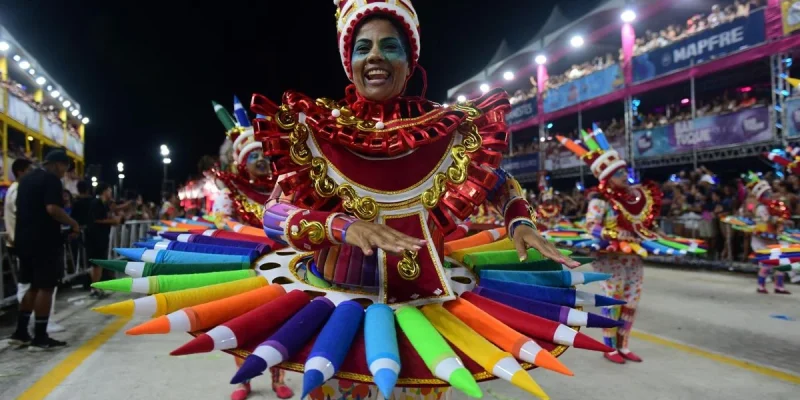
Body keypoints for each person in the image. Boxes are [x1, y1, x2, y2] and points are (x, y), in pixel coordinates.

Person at [92, 3, 583, 400]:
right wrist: (341, 228)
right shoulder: (317, 130)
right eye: (363, 47)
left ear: (410, 61)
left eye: (390, 46)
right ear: (349, 61)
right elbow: (274, 215)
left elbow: (496, 180)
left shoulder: (443, 128)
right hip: (337, 308)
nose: (375, 57)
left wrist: (519, 221)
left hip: (429, 307)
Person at [558, 130, 704, 364]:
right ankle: (610, 348)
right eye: (619, 173)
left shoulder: (636, 198)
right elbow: (591, 227)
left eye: (625, 171)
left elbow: (645, 226)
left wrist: (661, 238)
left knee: (631, 302)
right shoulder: (600, 201)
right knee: (614, 300)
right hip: (609, 258)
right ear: (607, 178)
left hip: (633, 257)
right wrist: (614, 235)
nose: (625, 176)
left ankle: (623, 345)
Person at [210, 99, 292, 400]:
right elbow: (221, 221)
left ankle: (278, 378)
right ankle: (243, 380)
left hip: (279, 266)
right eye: (253, 156)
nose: (261, 161)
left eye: (264, 155)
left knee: (279, 323)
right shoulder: (231, 191)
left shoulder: (284, 189)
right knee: (243, 325)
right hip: (243, 266)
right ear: (242, 162)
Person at [9, 149, 79, 350]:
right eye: (65, 167)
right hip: (43, 241)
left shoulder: (26, 180)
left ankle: (21, 332)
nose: (64, 172)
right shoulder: (51, 180)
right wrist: (72, 223)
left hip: (23, 240)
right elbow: (52, 209)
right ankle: (40, 336)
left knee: (32, 286)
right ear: (58, 164)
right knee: (46, 287)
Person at [86, 182, 122, 298]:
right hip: (96, 237)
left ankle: (96, 287)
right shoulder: (96, 203)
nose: (111, 192)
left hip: (101, 237)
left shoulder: (104, 204)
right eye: (109, 190)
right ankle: (95, 288)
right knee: (97, 264)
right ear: (104, 191)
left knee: (99, 264)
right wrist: (113, 221)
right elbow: (96, 219)